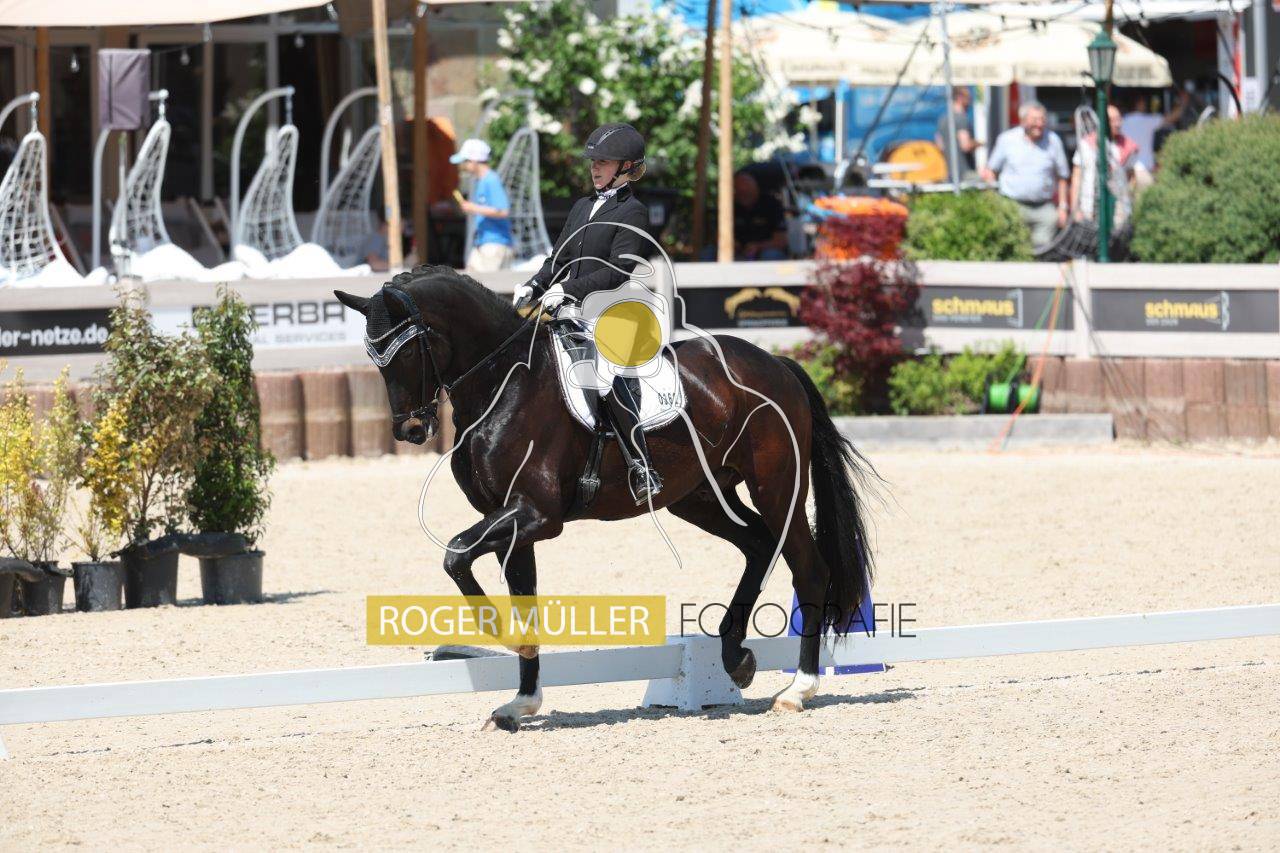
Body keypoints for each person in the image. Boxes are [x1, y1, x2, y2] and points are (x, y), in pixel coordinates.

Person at [511, 122, 660, 505]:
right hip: (572, 309)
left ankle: (641, 465)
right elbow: (558, 258)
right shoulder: (581, 206)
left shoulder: (633, 212)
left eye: (604, 162)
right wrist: (535, 284)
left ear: (626, 167)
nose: (595, 168)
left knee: (605, 374)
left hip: (613, 309)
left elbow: (618, 270)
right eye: (594, 162)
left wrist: (568, 289)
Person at [981, 101, 1070, 249]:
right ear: (1022, 121)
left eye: (1042, 119)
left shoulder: (1053, 141)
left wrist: (1063, 207)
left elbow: (1062, 176)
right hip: (1013, 205)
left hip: (1043, 207)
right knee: (1014, 248)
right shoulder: (1007, 139)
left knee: (1042, 249)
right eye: (1034, 120)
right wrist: (993, 199)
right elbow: (991, 170)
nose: (1039, 124)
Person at [1070, 104, 1149, 229]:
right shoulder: (1086, 145)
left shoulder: (1127, 146)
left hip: (1118, 209)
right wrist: (1075, 208)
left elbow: (1130, 176)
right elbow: (1077, 177)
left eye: (1119, 119)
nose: (1117, 124)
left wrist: (1129, 199)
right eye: (1112, 120)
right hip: (1090, 206)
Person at [450, 138, 515, 272]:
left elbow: (503, 211)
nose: (463, 165)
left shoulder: (491, 180)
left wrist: (473, 208)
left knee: (485, 284)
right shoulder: (481, 181)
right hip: (483, 243)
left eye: (466, 161)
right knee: (469, 279)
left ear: (474, 160)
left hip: (495, 244)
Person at [698, 171, 788, 261]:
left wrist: (758, 246)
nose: (744, 195)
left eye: (747, 191)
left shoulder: (772, 205)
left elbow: (781, 240)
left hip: (763, 250)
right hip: (734, 250)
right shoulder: (729, 205)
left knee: (770, 255)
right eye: (740, 192)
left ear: (756, 189)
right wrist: (729, 243)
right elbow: (717, 235)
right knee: (707, 253)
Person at [1121, 89, 1189, 172]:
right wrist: (1183, 103)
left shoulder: (1121, 121)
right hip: (1144, 168)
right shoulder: (1146, 120)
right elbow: (1172, 118)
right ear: (1139, 103)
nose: (1146, 105)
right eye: (1144, 102)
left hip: (1127, 170)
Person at [935, 86, 979, 181]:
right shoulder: (962, 119)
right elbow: (965, 145)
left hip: (949, 173)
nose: (970, 101)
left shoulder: (942, 120)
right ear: (960, 98)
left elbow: (940, 146)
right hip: (965, 172)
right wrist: (979, 144)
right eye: (968, 97)